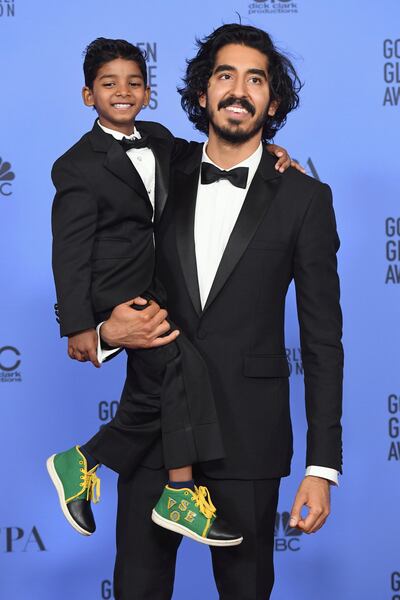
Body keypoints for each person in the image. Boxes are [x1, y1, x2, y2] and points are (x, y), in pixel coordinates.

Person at [100, 24, 343, 599]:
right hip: (156, 423)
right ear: (203, 93)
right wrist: (101, 328)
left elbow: (322, 341)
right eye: (225, 75)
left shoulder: (305, 199)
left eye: (255, 79)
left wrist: (322, 467)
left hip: (247, 433)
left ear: (272, 100)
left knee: (245, 590)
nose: (239, 90)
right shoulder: (156, 168)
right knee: (136, 587)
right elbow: (89, 242)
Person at [47, 37, 294, 547]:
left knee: (162, 385)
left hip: (153, 282)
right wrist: (80, 327)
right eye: (109, 84)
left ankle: (96, 464)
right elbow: (67, 252)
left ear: (147, 91)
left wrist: (266, 148)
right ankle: (162, 486)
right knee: (179, 369)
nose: (123, 92)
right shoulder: (75, 164)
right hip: (116, 290)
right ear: (87, 95)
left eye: (134, 83)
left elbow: (213, 151)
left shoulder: (159, 138)